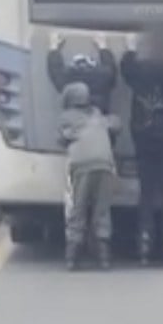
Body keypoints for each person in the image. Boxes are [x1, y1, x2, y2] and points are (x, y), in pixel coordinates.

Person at [120, 26, 163, 265]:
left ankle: (144, 242)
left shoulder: (141, 71)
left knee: (147, 191)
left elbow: (125, 68)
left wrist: (130, 48)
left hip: (144, 137)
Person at [58, 81, 121, 271]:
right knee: (102, 210)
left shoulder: (65, 117)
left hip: (81, 167)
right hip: (105, 164)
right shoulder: (97, 115)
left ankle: (72, 257)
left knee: (78, 209)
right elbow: (117, 124)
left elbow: (61, 139)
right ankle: (104, 256)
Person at [47, 33, 117, 113]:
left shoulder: (66, 82)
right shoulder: (103, 78)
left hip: (76, 122)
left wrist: (53, 47)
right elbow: (110, 68)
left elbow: (55, 70)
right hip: (98, 120)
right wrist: (103, 46)